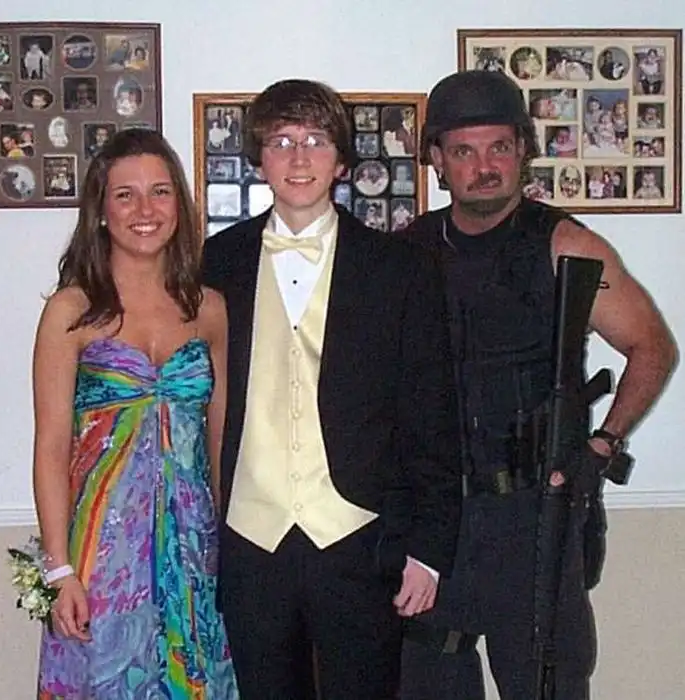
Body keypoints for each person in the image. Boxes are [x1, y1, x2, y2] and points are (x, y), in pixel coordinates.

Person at [398, 69, 677, 700]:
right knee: (426, 679)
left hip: (532, 514)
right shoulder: (408, 251)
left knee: (545, 681)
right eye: (464, 151)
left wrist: (602, 445)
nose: (485, 167)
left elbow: (652, 347)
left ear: (523, 149)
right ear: (437, 160)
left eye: (499, 147)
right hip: (436, 516)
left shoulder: (567, 246)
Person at [201, 78, 461, 700]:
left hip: (358, 536)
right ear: (258, 160)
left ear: (341, 161)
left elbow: (430, 414)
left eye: (316, 140)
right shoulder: (216, 261)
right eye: (281, 141)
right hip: (251, 538)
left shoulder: (399, 268)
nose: (299, 157)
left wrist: (428, 549)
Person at [33, 127, 238, 698]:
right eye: (125, 195)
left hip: (194, 549)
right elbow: (51, 445)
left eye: (160, 192)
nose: (145, 210)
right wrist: (58, 568)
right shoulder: (71, 311)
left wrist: (231, 554)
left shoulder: (210, 309)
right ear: (101, 211)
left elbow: (220, 441)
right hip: (100, 553)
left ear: (180, 205)